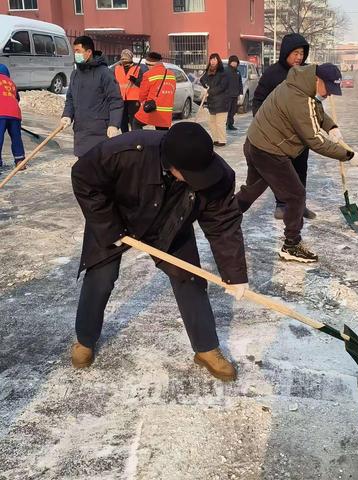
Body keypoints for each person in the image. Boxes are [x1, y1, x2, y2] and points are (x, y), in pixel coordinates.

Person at [70, 122, 249, 381]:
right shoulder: (127, 151)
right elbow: (83, 177)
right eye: (190, 174)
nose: (199, 181)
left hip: (171, 223)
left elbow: (222, 224)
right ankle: (85, 340)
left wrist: (235, 274)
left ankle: (206, 348)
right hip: (116, 217)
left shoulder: (216, 175)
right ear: (170, 163)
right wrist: (111, 229)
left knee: (189, 278)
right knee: (100, 276)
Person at [236, 63, 358, 263]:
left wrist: (330, 126)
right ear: (317, 80)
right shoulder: (300, 98)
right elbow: (315, 141)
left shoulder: (299, 85)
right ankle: (292, 245)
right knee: (296, 195)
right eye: (328, 89)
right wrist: (348, 155)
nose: (329, 95)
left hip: (256, 143)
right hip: (270, 150)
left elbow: (315, 110)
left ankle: (224, 217)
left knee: (252, 190)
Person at [252, 33, 316, 221]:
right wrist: (262, 124)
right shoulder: (273, 73)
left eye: (302, 53)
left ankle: (299, 205)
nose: (299, 57)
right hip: (278, 135)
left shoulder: (307, 72)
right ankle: (281, 204)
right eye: (295, 53)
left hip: (300, 133)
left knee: (301, 169)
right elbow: (258, 100)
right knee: (281, 171)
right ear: (286, 52)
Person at [61, 36, 123, 157]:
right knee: (83, 170)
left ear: (89, 52)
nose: (75, 54)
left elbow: (115, 100)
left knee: (99, 169)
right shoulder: (75, 74)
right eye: (75, 51)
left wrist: (114, 124)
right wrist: (67, 115)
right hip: (81, 131)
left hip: (99, 132)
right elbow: (70, 98)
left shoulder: (104, 73)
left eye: (78, 51)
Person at [134, 52, 176, 131]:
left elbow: (142, 94)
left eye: (147, 65)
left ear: (151, 64)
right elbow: (173, 91)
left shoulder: (148, 75)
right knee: (162, 133)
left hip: (152, 109)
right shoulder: (171, 75)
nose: (147, 67)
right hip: (167, 111)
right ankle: (162, 143)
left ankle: (139, 142)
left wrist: (141, 103)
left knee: (136, 123)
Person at [114, 49, 147, 133]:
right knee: (122, 121)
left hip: (134, 99)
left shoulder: (138, 68)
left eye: (125, 58)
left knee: (134, 122)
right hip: (121, 98)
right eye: (122, 58)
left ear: (130, 58)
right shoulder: (117, 69)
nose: (123, 60)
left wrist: (135, 80)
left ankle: (136, 138)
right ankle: (126, 138)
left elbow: (143, 84)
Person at [0, 64, 25, 171]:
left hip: (1, 112)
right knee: (16, 137)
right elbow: (17, 98)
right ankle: (20, 161)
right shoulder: (11, 83)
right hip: (15, 113)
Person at [200, 53, 229, 147]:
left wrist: (210, 91)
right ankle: (215, 139)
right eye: (211, 59)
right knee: (212, 122)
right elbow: (202, 79)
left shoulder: (223, 73)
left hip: (221, 101)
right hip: (212, 102)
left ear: (218, 61)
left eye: (215, 59)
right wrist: (206, 86)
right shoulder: (207, 72)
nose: (213, 61)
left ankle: (222, 140)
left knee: (220, 123)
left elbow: (222, 87)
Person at [225, 55, 243, 131]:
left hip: (235, 95)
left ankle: (230, 124)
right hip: (227, 95)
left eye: (236, 62)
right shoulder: (225, 71)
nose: (234, 63)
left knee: (233, 111)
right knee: (227, 111)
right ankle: (225, 124)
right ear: (230, 62)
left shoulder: (238, 72)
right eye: (233, 62)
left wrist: (240, 93)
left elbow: (240, 83)